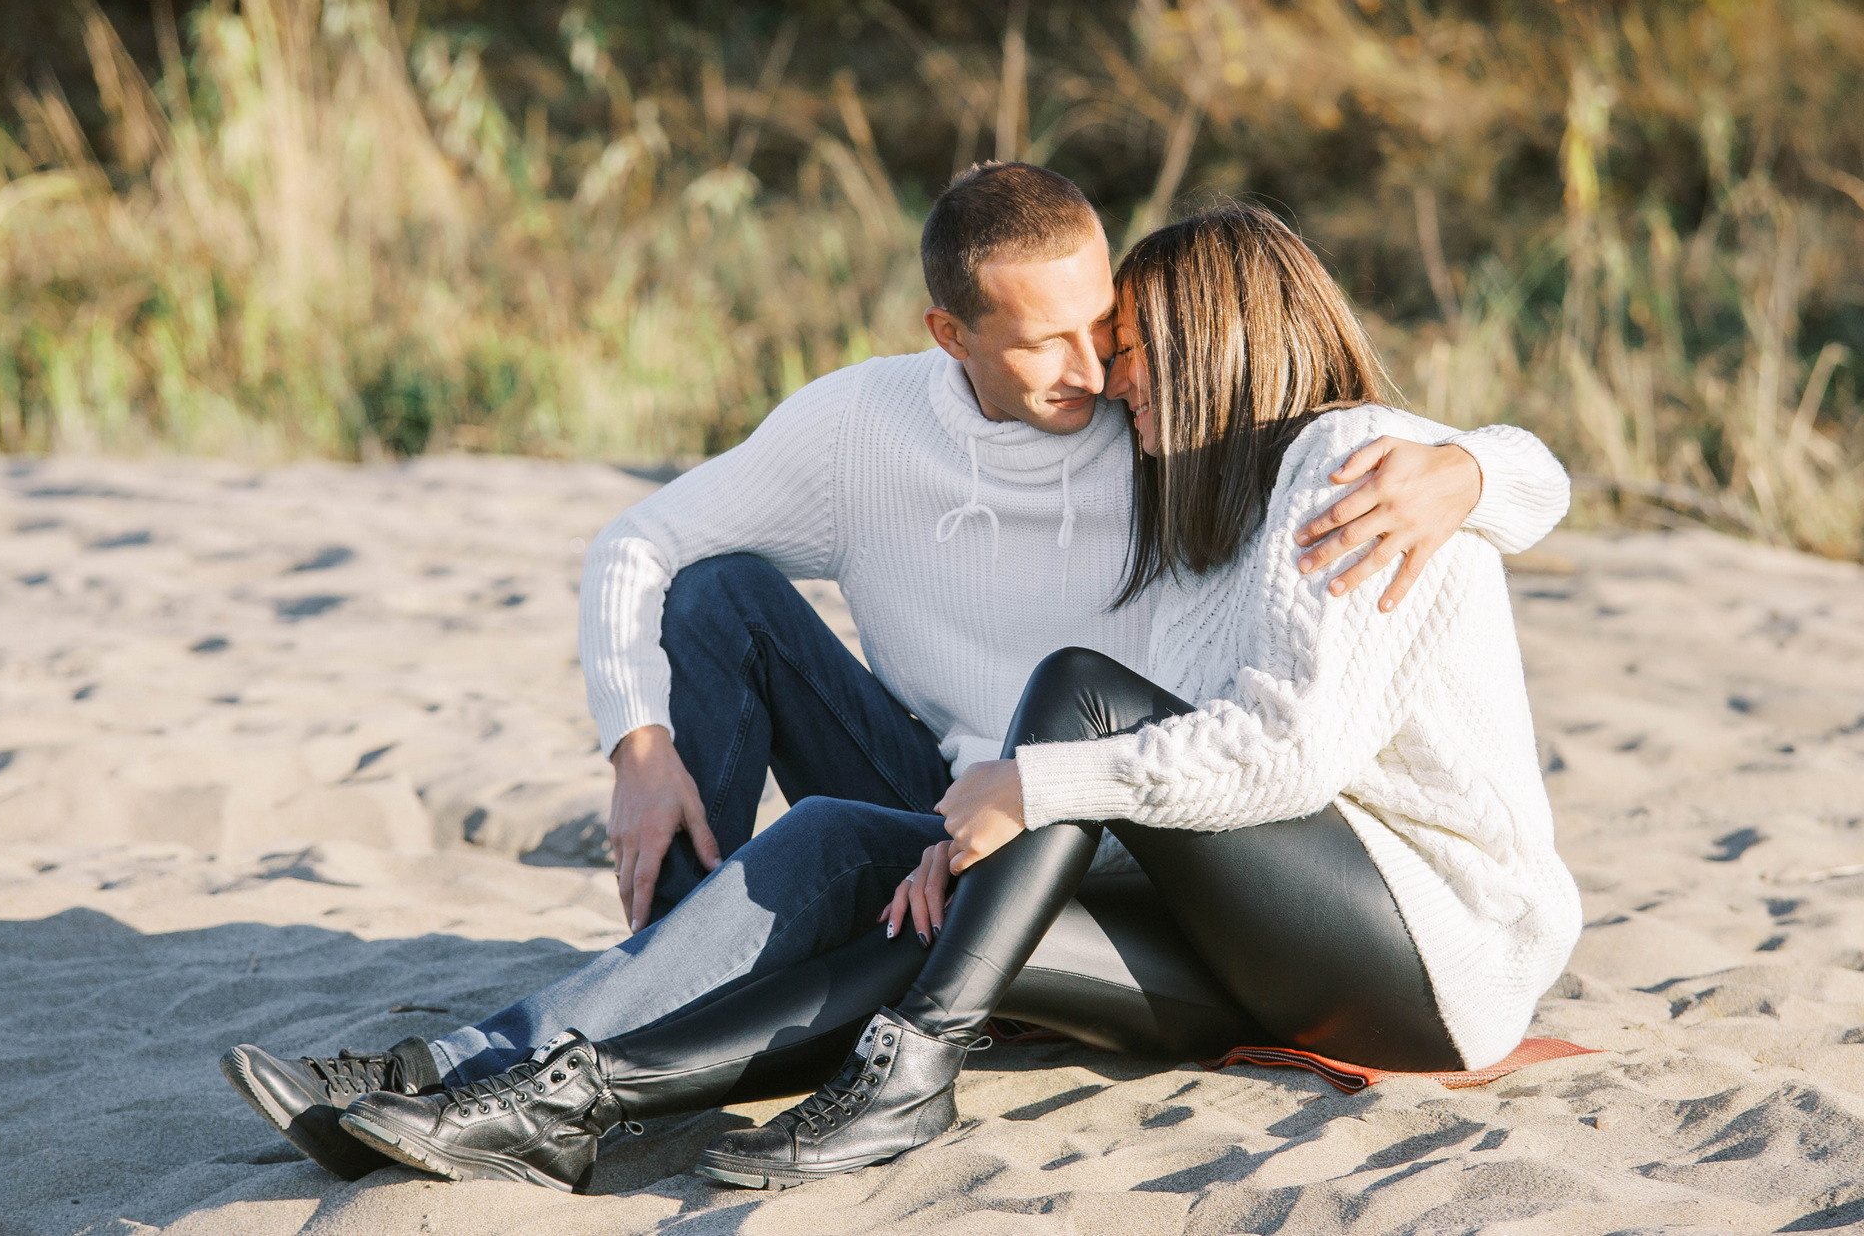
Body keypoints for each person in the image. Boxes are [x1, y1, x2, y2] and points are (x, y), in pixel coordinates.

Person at [220, 173, 1574, 1188]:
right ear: (951, 333)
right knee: (806, 762)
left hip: (1334, 907)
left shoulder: (1308, 464)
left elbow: (1290, 729)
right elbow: (645, 541)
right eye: (1064, 342)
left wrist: (1477, 467)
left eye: (1121, 338)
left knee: (1060, 714)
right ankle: (533, 1081)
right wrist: (638, 741)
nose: (1105, 375)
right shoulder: (1130, 485)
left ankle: (811, 1064)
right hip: (1146, 867)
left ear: (1215, 346)